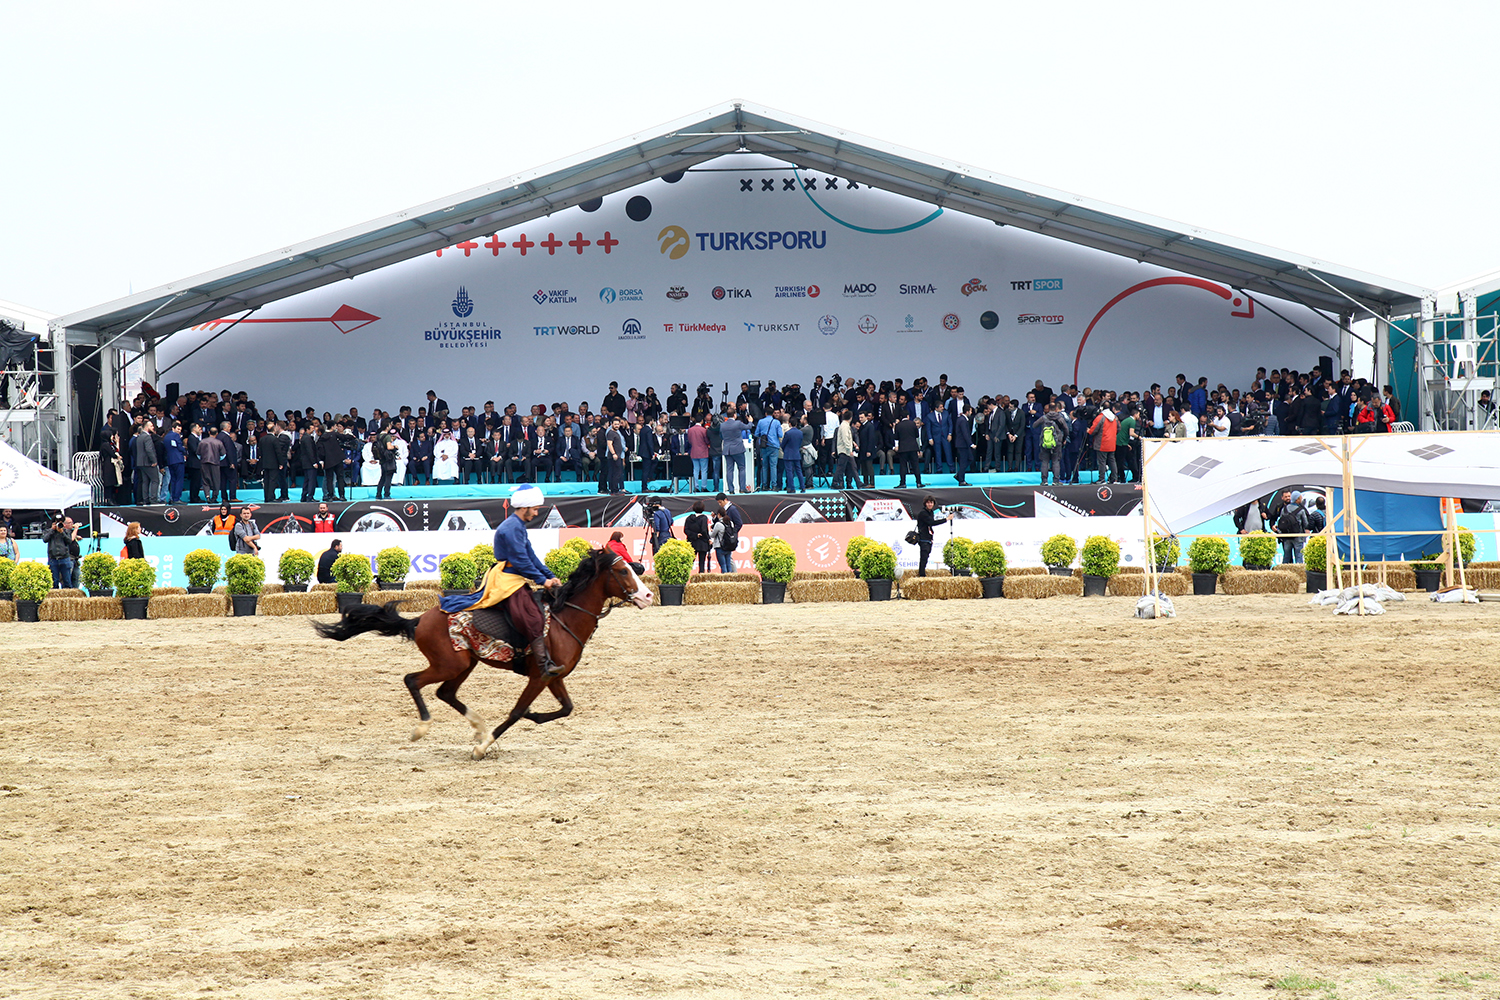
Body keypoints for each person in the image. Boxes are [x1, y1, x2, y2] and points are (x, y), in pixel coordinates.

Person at [440, 485, 563, 677]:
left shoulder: (518, 525)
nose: (537, 512)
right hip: (507, 578)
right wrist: (542, 581)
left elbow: (531, 556)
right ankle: (543, 664)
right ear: (525, 508)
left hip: (512, 575)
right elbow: (521, 561)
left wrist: (549, 575)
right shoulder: (513, 527)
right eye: (535, 508)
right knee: (531, 615)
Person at [914, 495, 955, 577]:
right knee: (924, 557)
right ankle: (922, 575)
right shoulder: (923, 513)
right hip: (923, 539)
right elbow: (931, 523)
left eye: (931, 503)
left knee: (926, 557)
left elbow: (929, 526)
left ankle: (922, 573)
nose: (930, 504)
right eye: (928, 503)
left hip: (928, 538)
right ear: (925, 504)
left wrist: (931, 538)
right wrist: (946, 519)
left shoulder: (930, 512)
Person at [42, 515, 78, 589]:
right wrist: (52, 530)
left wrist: (62, 533)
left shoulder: (66, 531)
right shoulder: (49, 531)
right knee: (54, 582)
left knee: (67, 581)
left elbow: (69, 541)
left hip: (64, 558)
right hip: (53, 558)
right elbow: (45, 539)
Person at [713, 492, 742, 573]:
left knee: (729, 560)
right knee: (728, 559)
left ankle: (734, 575)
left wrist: (732, 533)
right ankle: (732, 575)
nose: (719, 504)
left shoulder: (732, 509)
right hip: (724, 538)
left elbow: (739, 523)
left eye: (720, 502)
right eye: (718, 503)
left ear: (725, 500)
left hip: (727, 538)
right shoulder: (726, 510)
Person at [683, 499, 712, 573]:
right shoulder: (703, 518)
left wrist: (694, 535)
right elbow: (704, 530)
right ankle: (701, 578)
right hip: (702, 543)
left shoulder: (689, 518)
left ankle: (685, 577)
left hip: (691, 543)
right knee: (702, 563)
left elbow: (686, 530)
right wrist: (708, 539)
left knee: (689, 562)